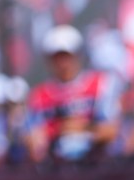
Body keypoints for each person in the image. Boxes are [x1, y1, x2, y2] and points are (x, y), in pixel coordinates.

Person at [27, 24, 124, 166]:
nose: (62, 63)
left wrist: (83, 128)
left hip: (97, 167)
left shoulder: (100, 85)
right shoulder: (40, 96)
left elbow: (113, 130)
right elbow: (33, 139)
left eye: (66, 56)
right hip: (56, 169)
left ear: (77, 55)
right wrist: (50, 134)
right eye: (56, 57)